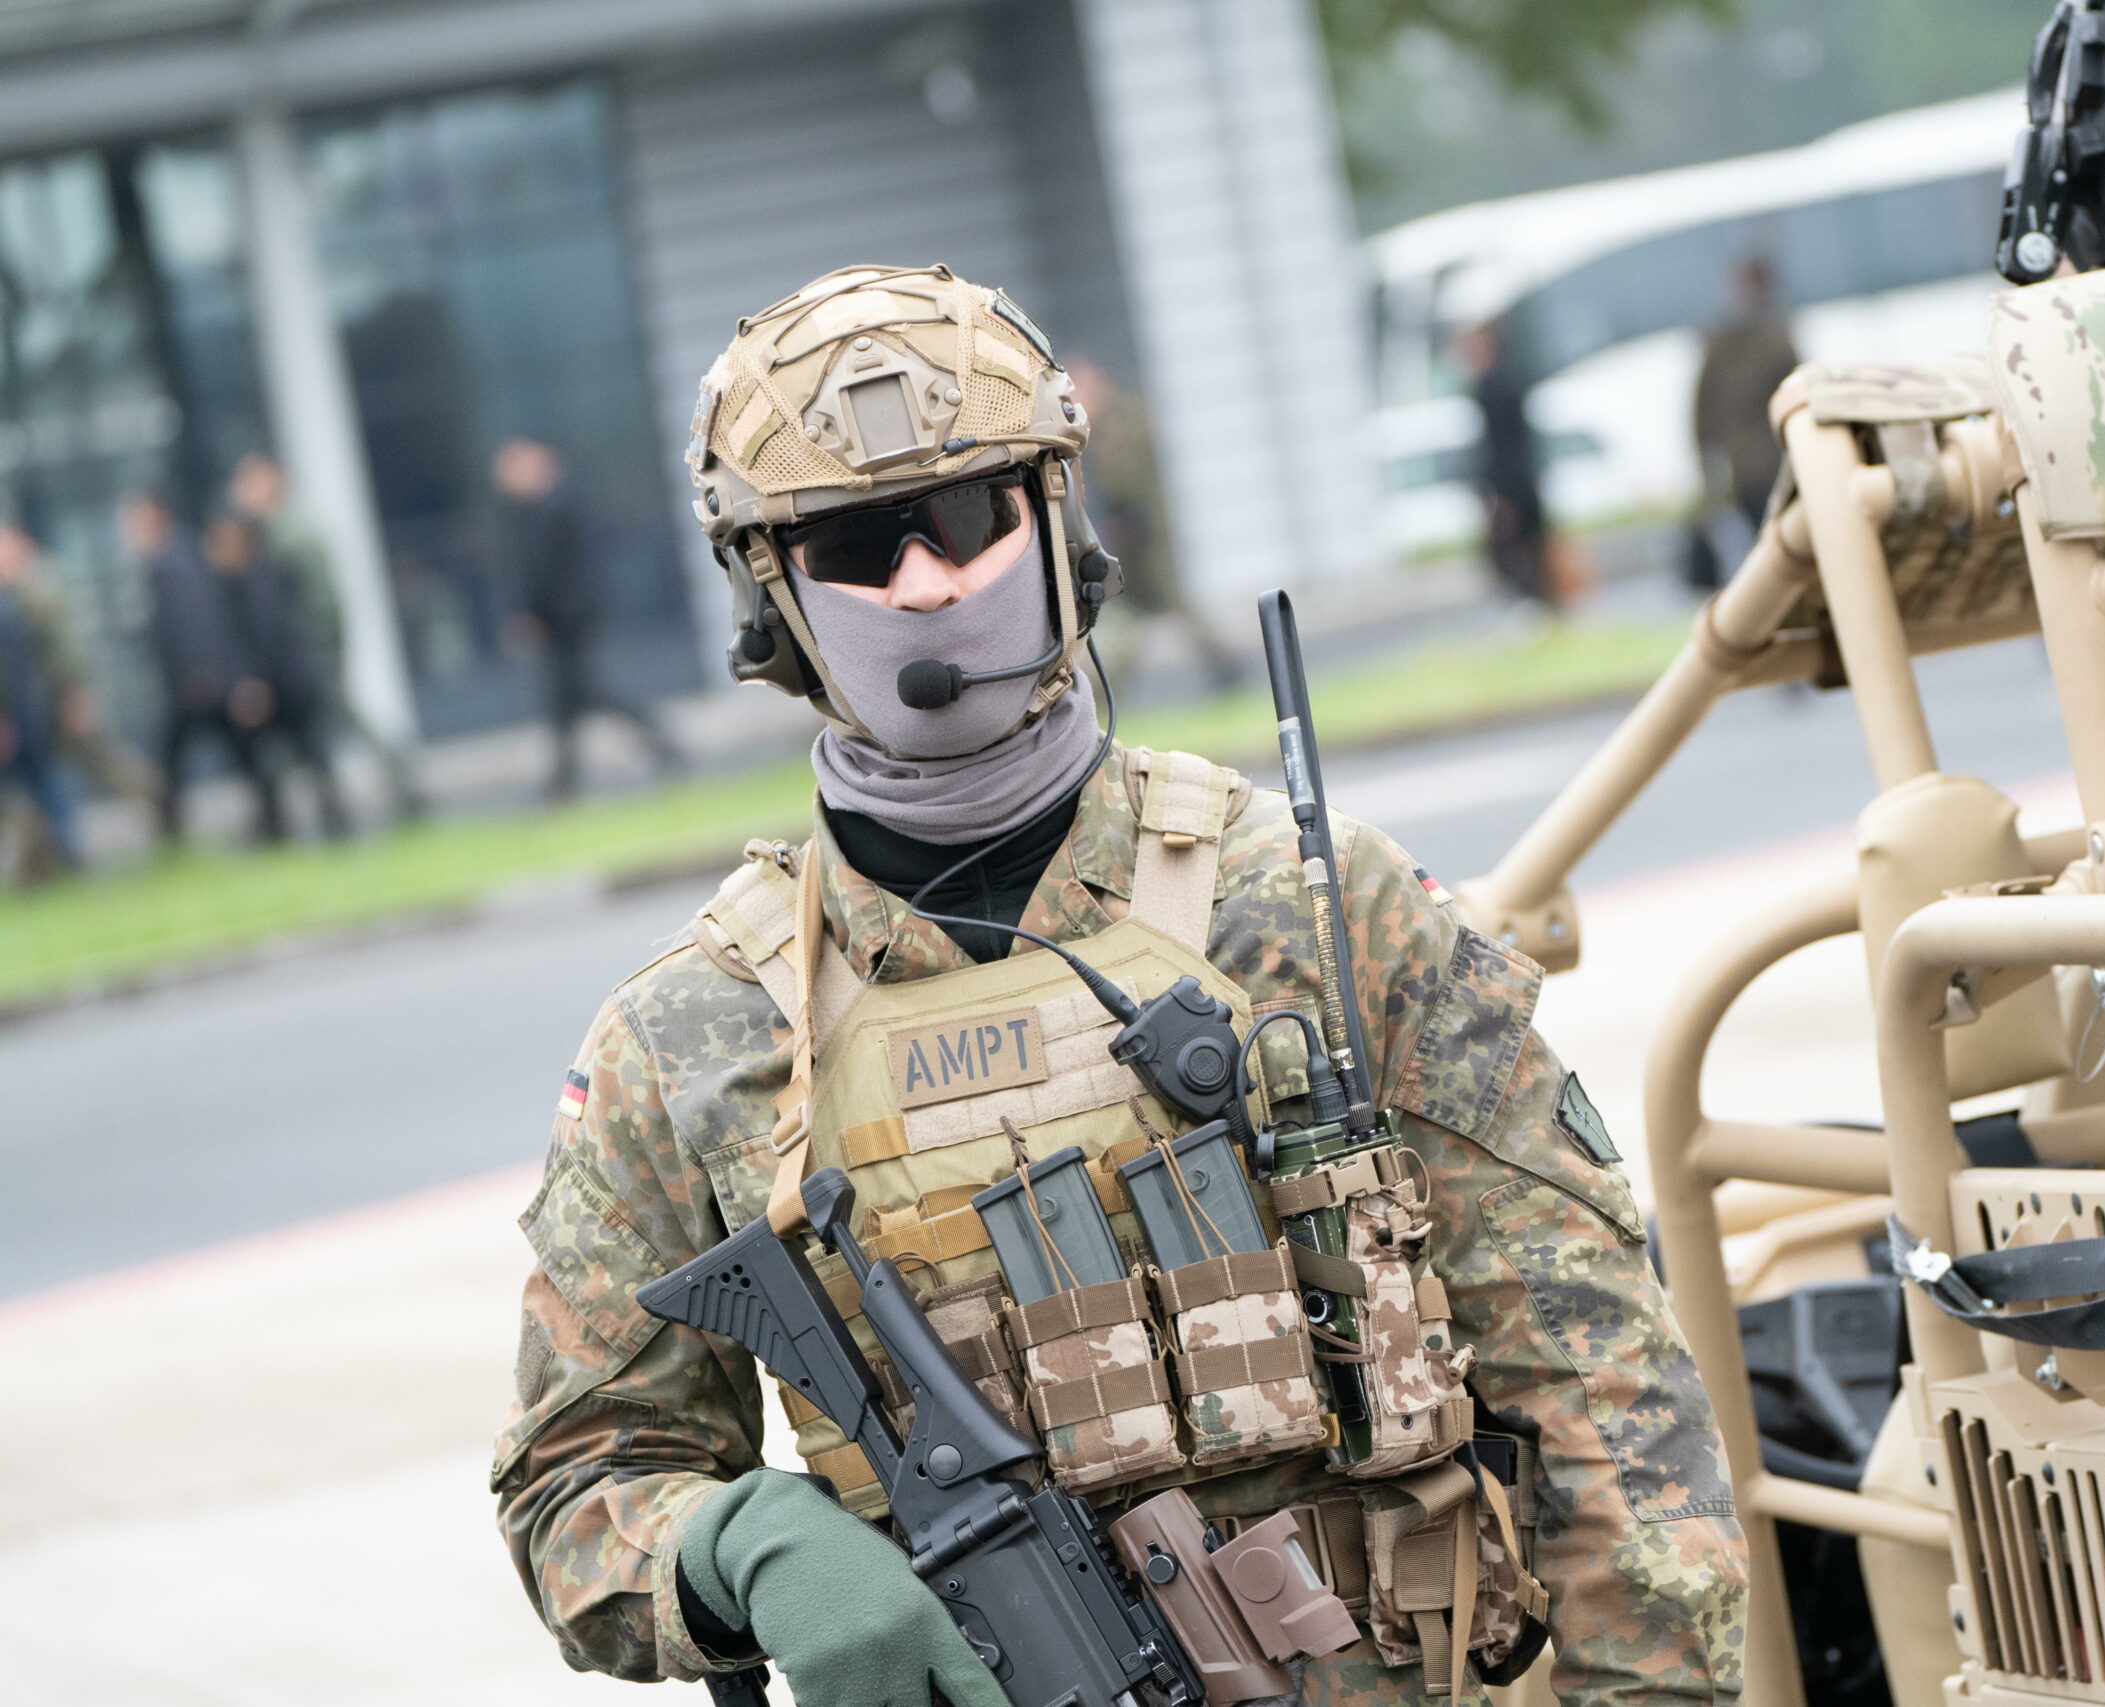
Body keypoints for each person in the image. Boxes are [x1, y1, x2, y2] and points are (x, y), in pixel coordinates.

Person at [494, 264, 1747, 1707]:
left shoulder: (1313, 903)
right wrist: (734, 1540)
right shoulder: (694, 1034)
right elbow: (574, 1477)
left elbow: (1597, 1362)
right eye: (853, 545)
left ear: (1055, 520)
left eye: (966, 516)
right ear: (774, 594)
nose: (925, 581)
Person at [227, 453, 426, 819]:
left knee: (345, 724)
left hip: (308, 654)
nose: (242, 494)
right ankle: (328, 807)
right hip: (294, 657)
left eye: (249, 483)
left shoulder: (291, 535)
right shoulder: (266, 535)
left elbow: (321, 601)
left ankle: (406, 787)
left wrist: (329, 651)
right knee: (311, 736)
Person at [490, 437, 681, 799]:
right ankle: (564, 780)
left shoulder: (561, 508)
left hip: (571, 621)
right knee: (566, 700)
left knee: (583, 693)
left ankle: (654, 745)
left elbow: (565, 570)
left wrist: (545, 614)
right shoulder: (529, 514)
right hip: (556, 621)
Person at [1062, 356, 1242, 691]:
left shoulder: (1120, 424)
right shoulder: (1106, 425)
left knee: (1162, 602)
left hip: (1147, 536)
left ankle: (1224, 664)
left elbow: (1131, 486)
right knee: (1126, 612)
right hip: (1132, 536)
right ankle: (1103, 689)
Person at [132, 492, 282, 845]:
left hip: (199, 683)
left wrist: (201, 674)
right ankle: (268, 821)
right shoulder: (180, 557)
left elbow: (193, 624)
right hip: (203, 680)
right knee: (232, 753)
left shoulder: (170, 563)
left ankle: (175, 832)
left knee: (192, 754)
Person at [203, 512, 349, 839]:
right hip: (275, 685)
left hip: (288, 686)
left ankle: (327, 824)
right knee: (276, 762)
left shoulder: (260, 578)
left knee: (310, 756)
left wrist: (255, 683)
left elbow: (271, 635)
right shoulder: (231, 584)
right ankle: (279, 828)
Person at [1685, 257, 1798, 592]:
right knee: (1771, 540)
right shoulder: (1767, 336)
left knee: (1769, 541)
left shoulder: (1763, 337)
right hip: (1757, 464)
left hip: (1760, 462)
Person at [0, 523, 86, 876]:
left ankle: (55, 855)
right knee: (43, 783)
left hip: (24, 712)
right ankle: (52, 857)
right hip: (29, 709)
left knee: (41, 784)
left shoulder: (26, 593)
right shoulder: (14, 598)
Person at [1461, 320, 1558, 610]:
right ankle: (1539, 603)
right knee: (1528, 548)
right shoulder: (1508, 379)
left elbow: (1499, 444)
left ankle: (1534, 603)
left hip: (1510, 484)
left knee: (1514, 549)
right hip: (1520, 480)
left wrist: (1494, 489)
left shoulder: (1493, 385)